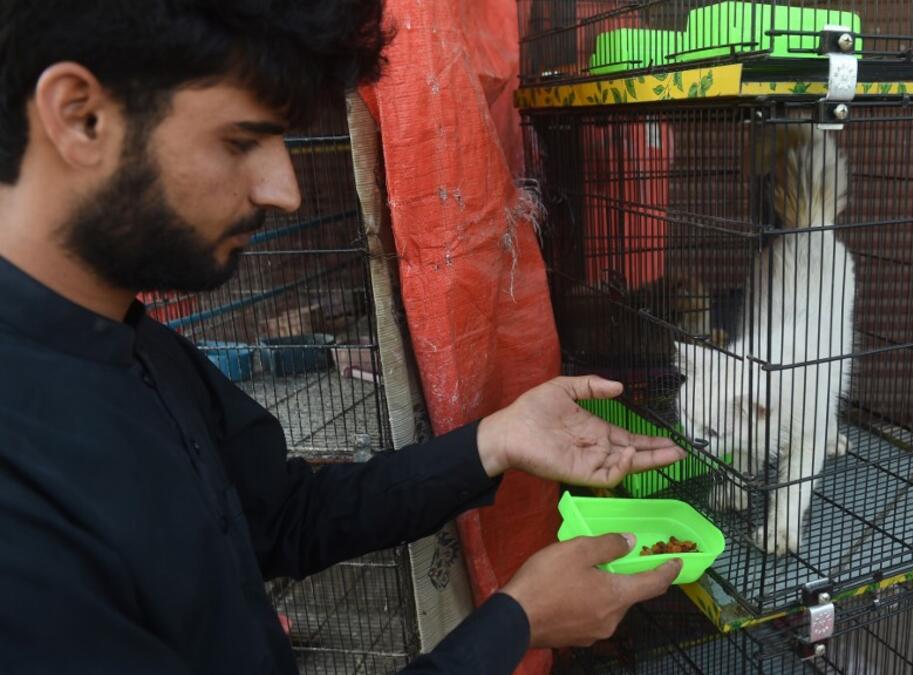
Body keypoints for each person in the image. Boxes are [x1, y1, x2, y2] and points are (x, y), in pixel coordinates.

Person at [0, 2, 687, 674]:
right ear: (79, 115)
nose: (285, 190)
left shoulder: (133, 341)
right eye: (240, 140)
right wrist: (515, 623)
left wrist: (495, 439)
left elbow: (288, 515)